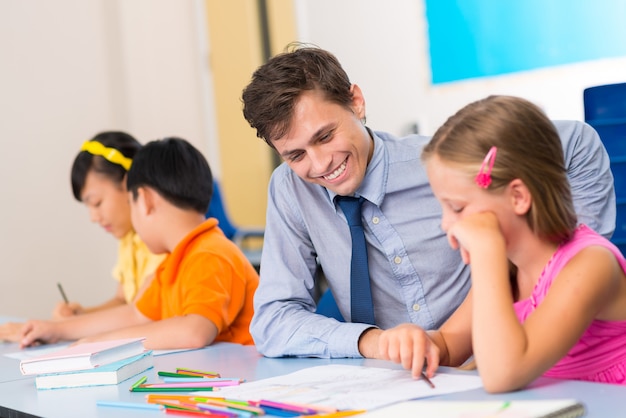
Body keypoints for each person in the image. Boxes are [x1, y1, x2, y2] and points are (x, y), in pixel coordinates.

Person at [240, 45, 616, 363]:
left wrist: (561, 270)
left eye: (325, 136)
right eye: (295, 155)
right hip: (404, 376)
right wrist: (369, 342)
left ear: (356, 102)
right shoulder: (292, 189)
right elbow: (274, 319)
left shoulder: (443, 164)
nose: (320, 165)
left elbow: (577, 143)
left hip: (498, 357)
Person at [413, 95, 626, 391]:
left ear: (518, 197)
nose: (446, 224)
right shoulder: (509, 268)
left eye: (458, 208)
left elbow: (504, 375)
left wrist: (486, 252)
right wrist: (417, 343)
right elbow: (449, 347)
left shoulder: (591, 264)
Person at [13, 137, 259, 350]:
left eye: (130, 204)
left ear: (144, 200)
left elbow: (193, 331)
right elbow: (135, 314)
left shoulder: (210, 254)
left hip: (255, 384)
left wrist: (100, 343)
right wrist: (56, 330)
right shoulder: (174, 263)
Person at [54, 131, 165, 318]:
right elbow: (123, 300)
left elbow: (138, 315)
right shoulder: (129, 237)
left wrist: (66, 328)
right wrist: (80, 316)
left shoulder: (160, 239)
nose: (93, 217)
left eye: (96, 203)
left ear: (129, 183)